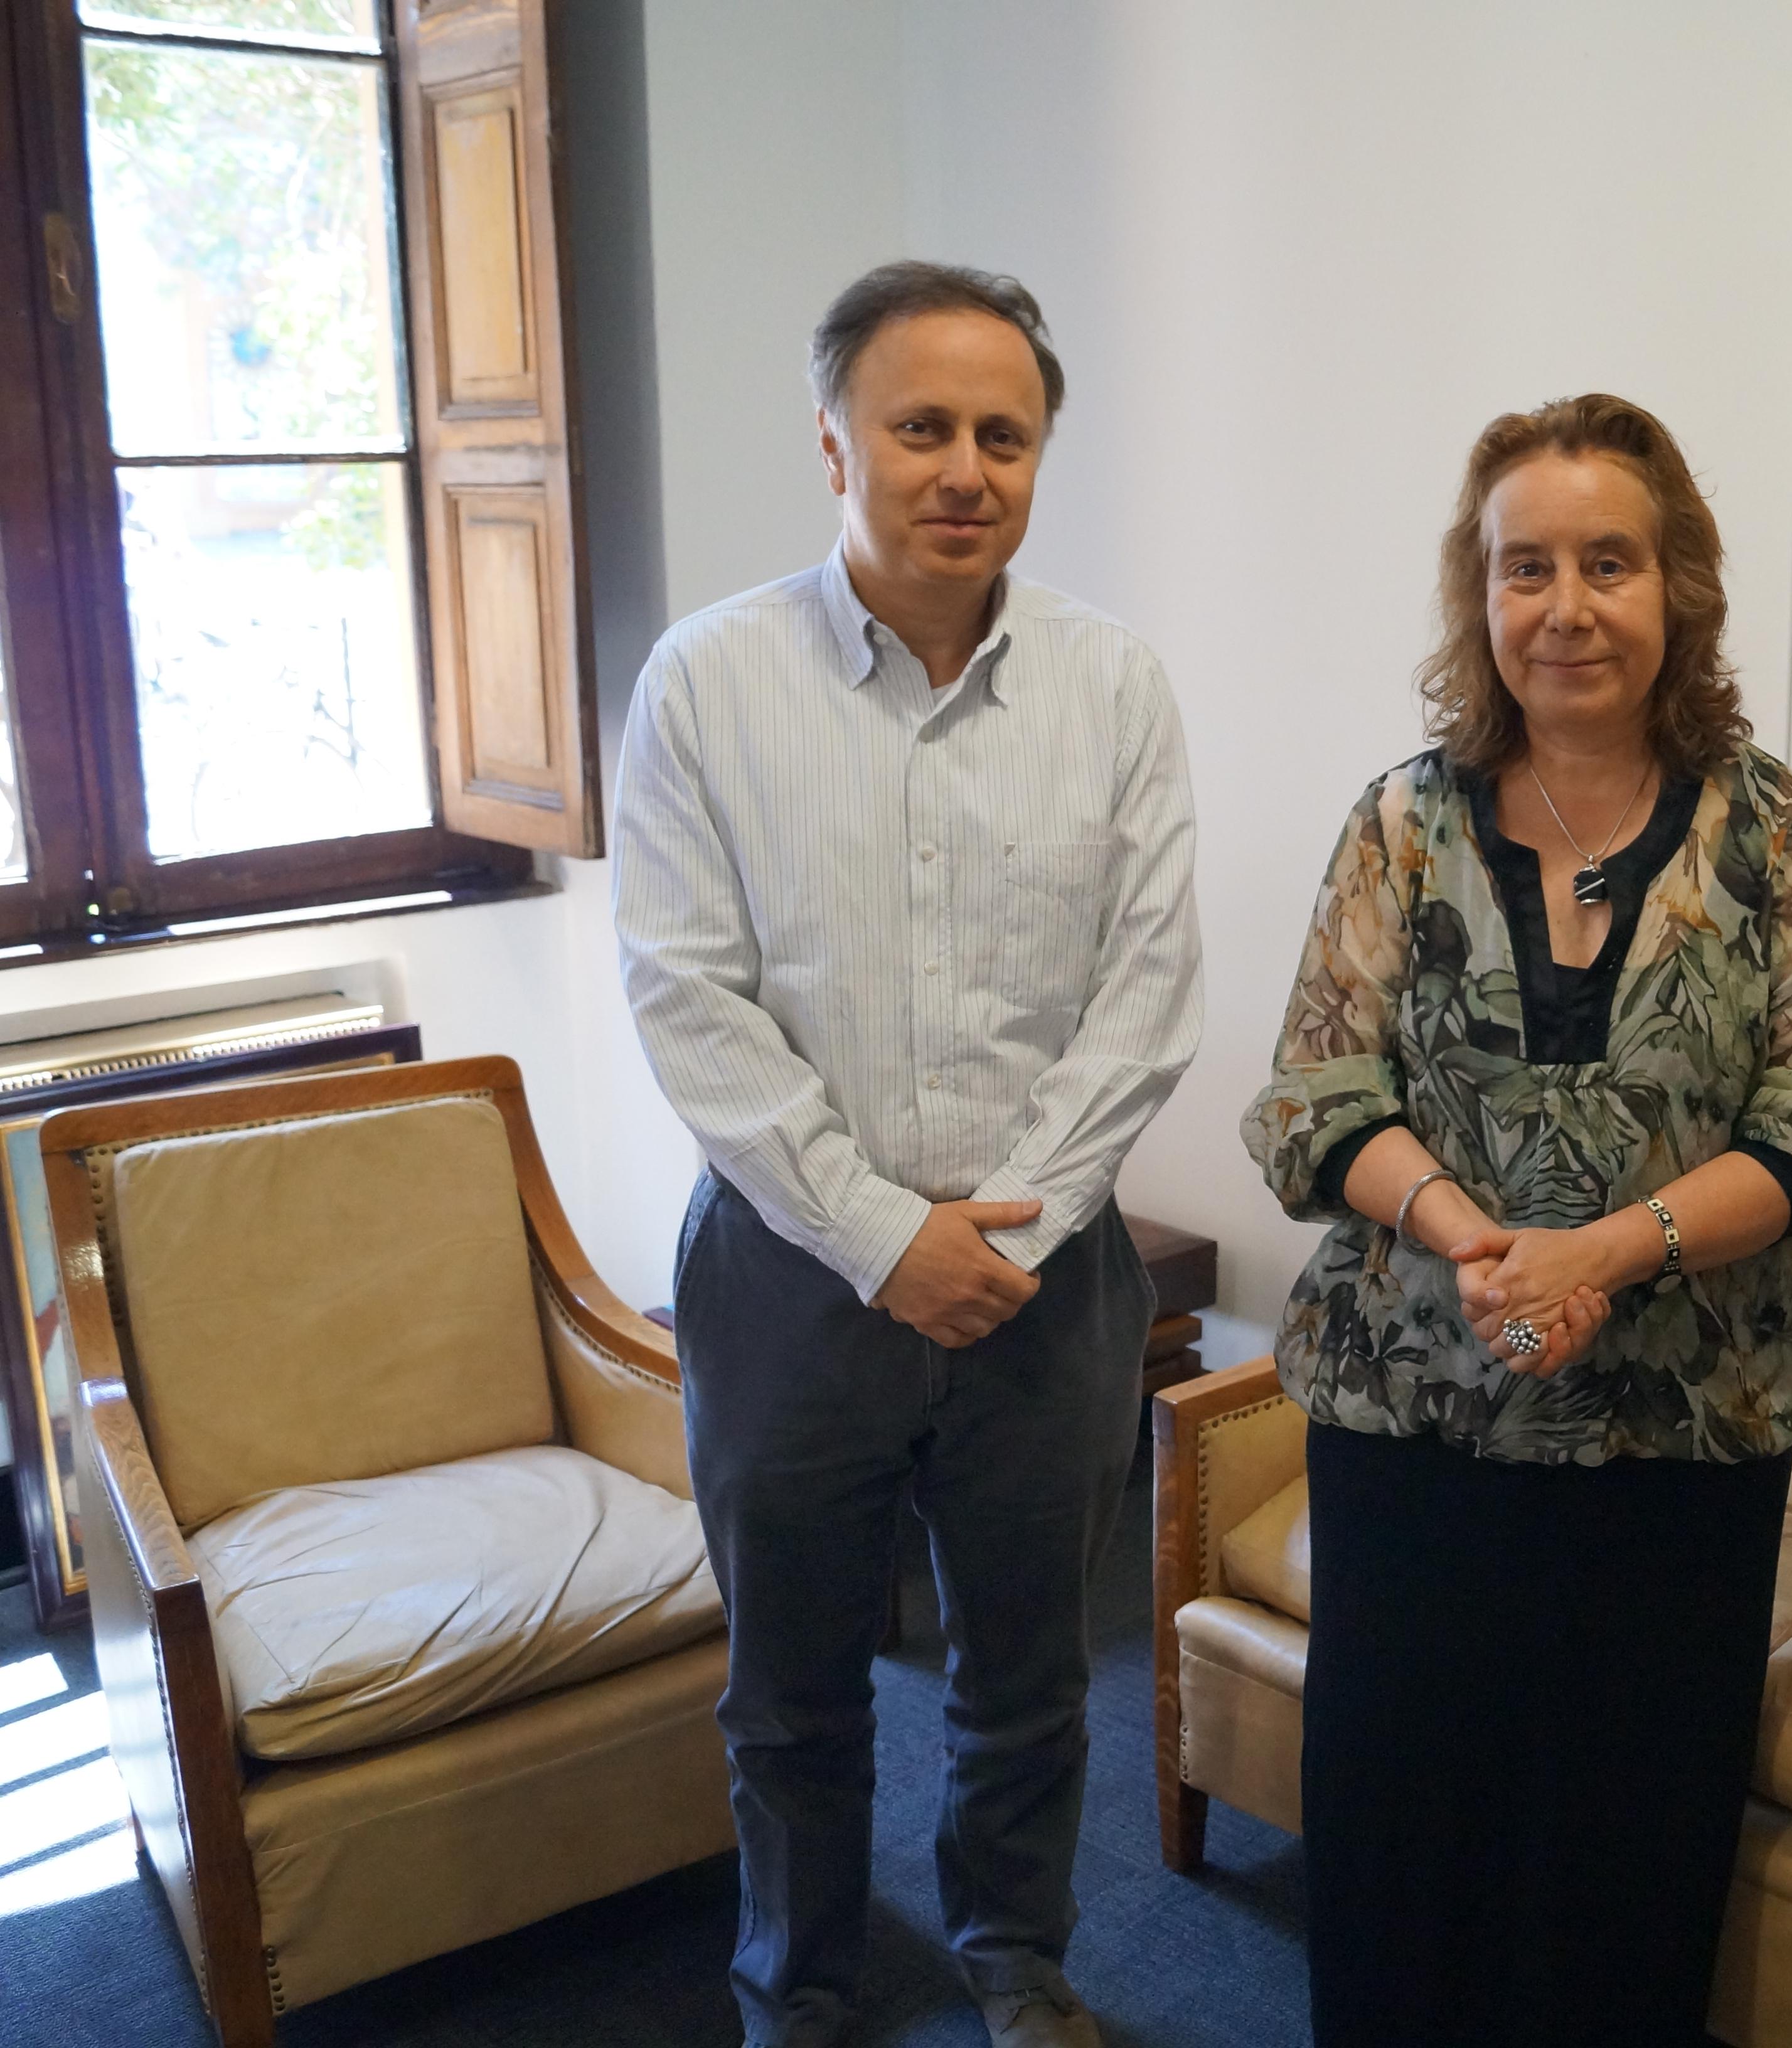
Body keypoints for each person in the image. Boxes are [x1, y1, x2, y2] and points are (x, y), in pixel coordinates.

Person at [1242, 392, 1792, 2048]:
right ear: (1481, 594)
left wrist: (1605, 1252)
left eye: (1610, 561)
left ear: (1679, 586)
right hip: (1413, 1425)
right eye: (1524, 566)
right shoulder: (1403, 822)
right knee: (1400, 1848)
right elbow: (1318, 1102)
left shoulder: (1789, 840)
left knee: (1626, 1860)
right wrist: (1473, 1237)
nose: (1567, 605)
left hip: (1683, 1441)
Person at [614, 261, 1200, 2048]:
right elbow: (687, 998)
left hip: (1049, 1277)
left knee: (1027, 1673)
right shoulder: (708, 682)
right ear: (833, 440)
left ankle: (1014, 1955)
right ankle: (793, 1984)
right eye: (921, 425)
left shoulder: (1112, 685)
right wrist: (885, 1238)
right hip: (789, 1278)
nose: (965, 467)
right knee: (791, 1691)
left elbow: (1150, 986)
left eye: (1003, 435)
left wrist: (1005, 1237)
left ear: (1039, 459)